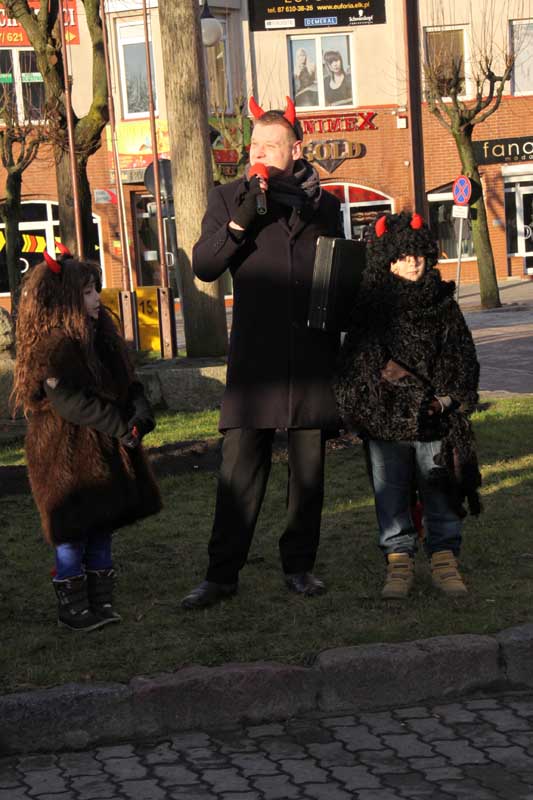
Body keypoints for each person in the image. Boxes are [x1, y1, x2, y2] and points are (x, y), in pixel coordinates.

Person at [181, 96, 344, 609]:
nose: (259, 153)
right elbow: (204, 265)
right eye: (254, 145)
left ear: (295, 150)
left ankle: (299, 567)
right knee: (239, 473)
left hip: (310, 358)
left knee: (308, 475)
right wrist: (240, 223)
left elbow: (337, 273)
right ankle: (221, 575)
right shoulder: (229, 197)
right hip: (255, 363)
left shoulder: (325, 205)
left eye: (271, 145)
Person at [12, 249, 162, 631]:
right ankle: (73, 606)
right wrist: (119, 425)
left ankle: (101, 599)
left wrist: (140, 412)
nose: (97, 299)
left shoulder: (103, 338)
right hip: (63, 456)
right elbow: (69, 402)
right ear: (66, 301)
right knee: (72, 531)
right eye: (88, 292)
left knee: (102, 525)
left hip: (101, 451)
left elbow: (128, 382)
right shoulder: (55, 349)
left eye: (96, 290)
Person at [335, 212, 481, 600]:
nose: (411, 262)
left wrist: (445, 400)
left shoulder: (444, 305)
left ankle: (444, 558)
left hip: (435, 418)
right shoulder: (371, 308)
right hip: (386, 421)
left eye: (417, 254)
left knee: (440, 488)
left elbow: (462, 358)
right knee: (391, 492)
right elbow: (358, 366)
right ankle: (398, 561)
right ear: (388, 260)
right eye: (402, 256)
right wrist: (382, 398)